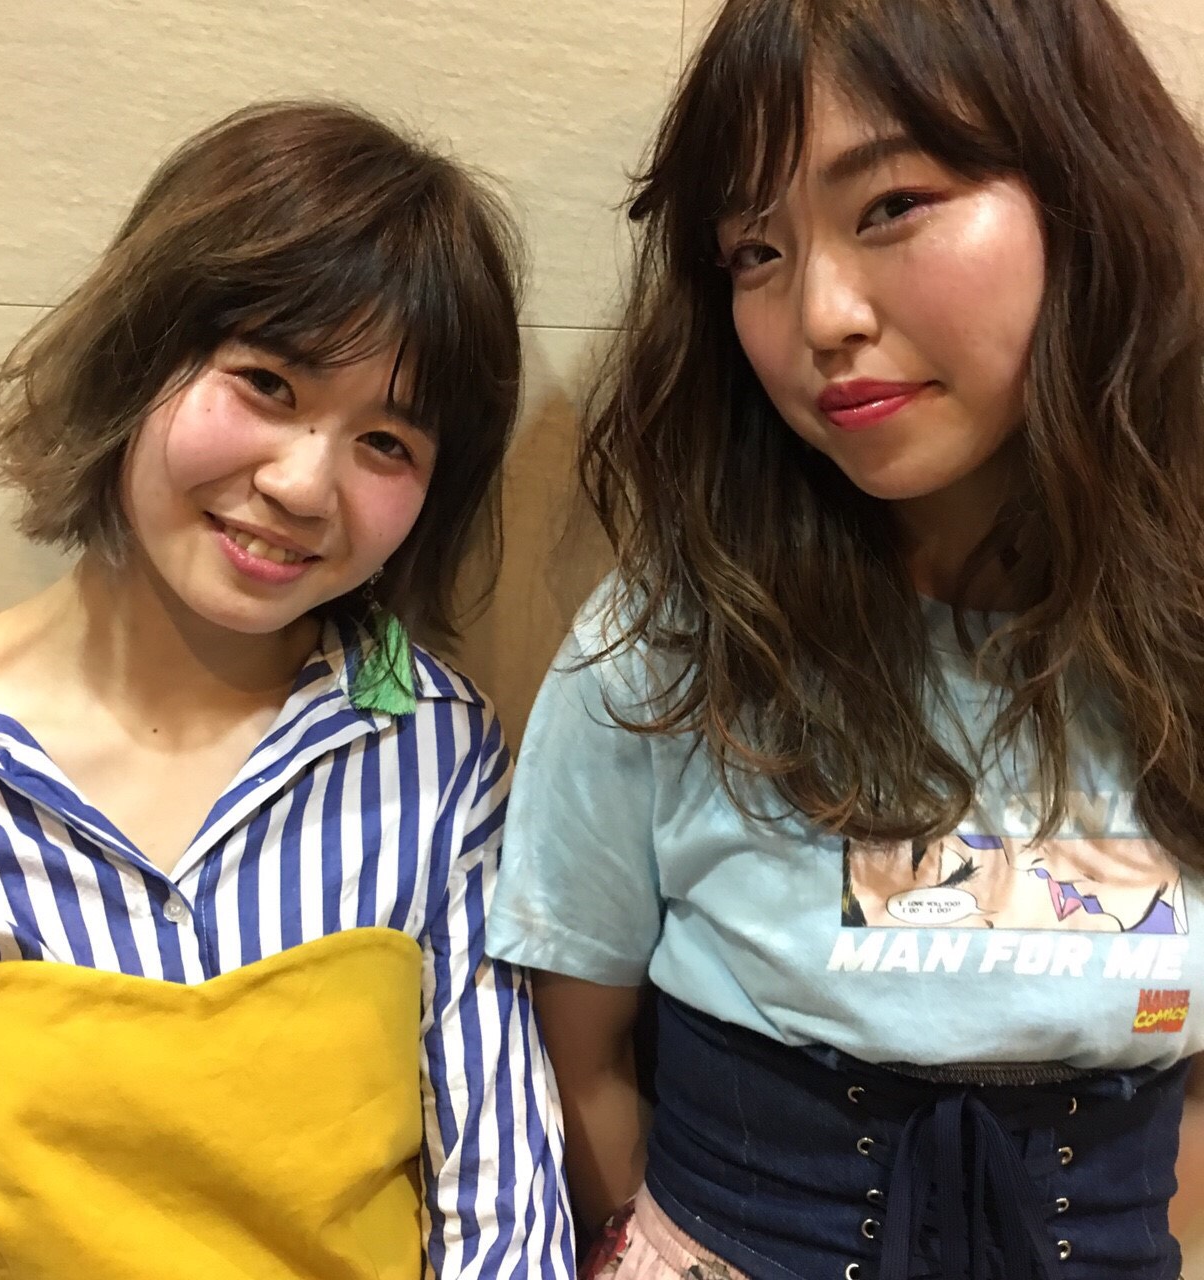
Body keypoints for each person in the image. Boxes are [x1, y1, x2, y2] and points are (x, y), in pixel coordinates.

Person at [485, 0, 1204, 1276]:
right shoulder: (669, 644)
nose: (818, 315)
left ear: (1086, 190)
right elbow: (573, 1047)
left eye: (890, 205)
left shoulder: (1179, 637)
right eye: (754, 251)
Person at [0, 101, 572, 1280]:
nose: (304, 483)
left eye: (387, 443)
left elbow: (502, 1201)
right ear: (136, 357)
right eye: (266, 381)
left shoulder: (430, 745)